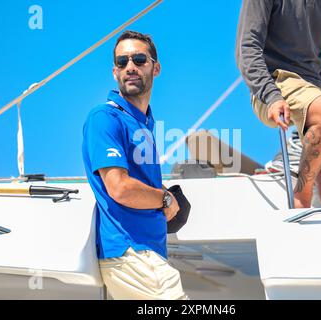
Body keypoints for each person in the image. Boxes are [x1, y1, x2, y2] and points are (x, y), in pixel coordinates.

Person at [236, 0, 321, 208]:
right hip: (276, 82)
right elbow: (247, 49)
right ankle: (302, 195)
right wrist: (271, 96)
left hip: (317, 88)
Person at [82, 30, 188, 300]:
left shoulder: (143, 123)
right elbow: (120, 188)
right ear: (115, 72)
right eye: (122, 62)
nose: (130, 67)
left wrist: (165, 193)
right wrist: (165, 199)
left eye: (139, 60)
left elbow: (136, 182)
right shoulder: (105, 117)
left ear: (156, 68)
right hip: (131, 252)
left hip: (147, 256)